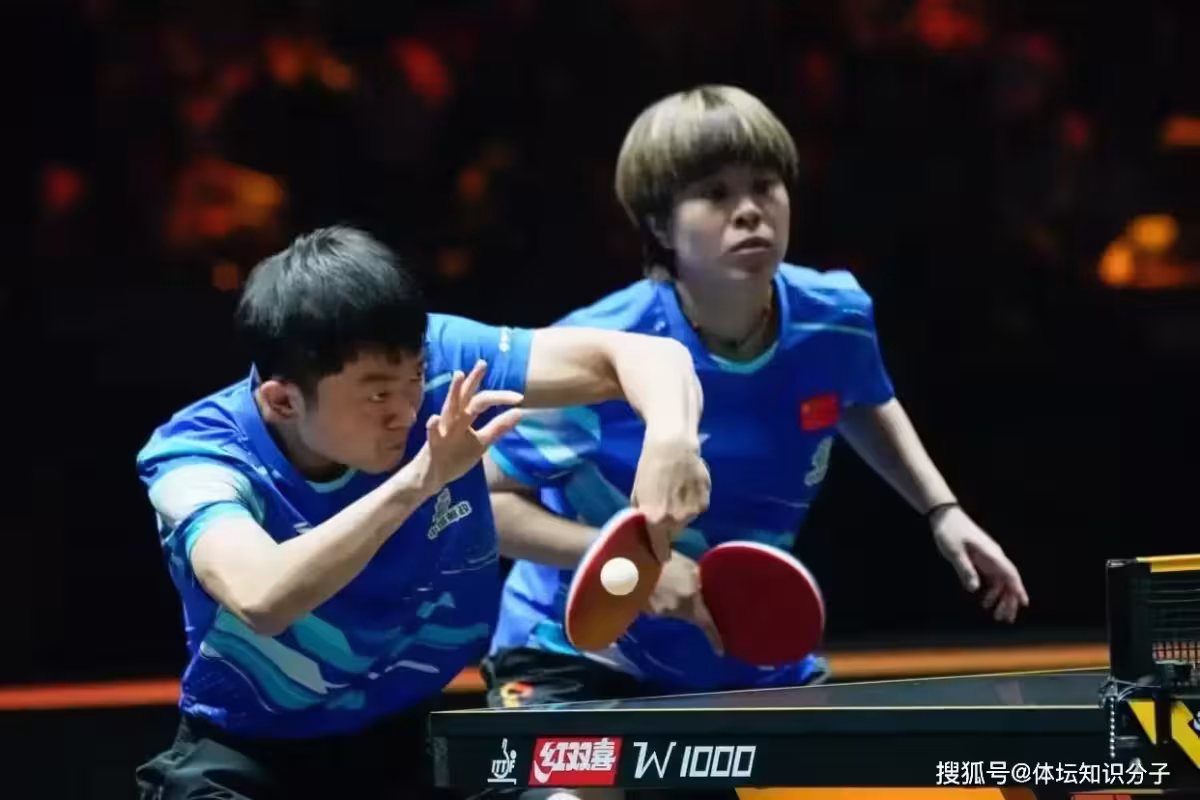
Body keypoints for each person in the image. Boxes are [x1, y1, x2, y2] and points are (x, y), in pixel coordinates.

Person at [481, 85, 1031, 799]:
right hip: (576, 655)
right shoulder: (600, 354)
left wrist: (941, 510)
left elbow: (862, 397)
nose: (749, 210)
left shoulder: (833, 318)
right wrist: (635, 567)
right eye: (714, 193)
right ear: (660, 224)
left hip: (738, 658)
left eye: (765, 185)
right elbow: (486, 503)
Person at [133, 225, 711, 800]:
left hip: (418, 737)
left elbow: (646, 355)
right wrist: (423, 477)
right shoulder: (199, 456)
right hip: (254, 751)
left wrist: (671, 439)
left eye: (414, 378)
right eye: (377, 395)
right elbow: (263, 597)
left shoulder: (436, 359)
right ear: (282, 400)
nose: (408, 410)